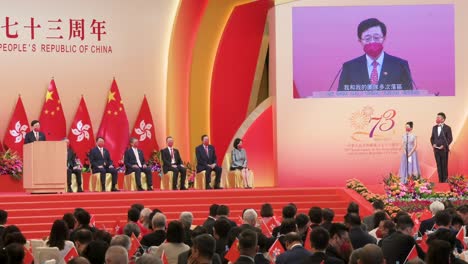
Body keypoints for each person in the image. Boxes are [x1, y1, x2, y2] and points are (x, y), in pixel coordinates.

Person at [338, 18, 413, 92]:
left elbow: (409, 97)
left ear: (384, 38)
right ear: (360, 41)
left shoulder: (400, 66)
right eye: (367, 38)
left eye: (376, 37)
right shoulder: (350, 67)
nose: (372, 42)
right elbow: (341, 97)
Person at [430, 112, 453, 183]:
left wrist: (444, 145)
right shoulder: (434, 127)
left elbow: (450, 138)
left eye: (438, 117)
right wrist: (433, 144)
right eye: (436, 117)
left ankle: (445, 182)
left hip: (443, 150)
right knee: (439, 166)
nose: (437, 118)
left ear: (443, 119)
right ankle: (440, 181)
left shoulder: (447, 128)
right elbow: (432, 138)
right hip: (436, 150)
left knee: (444, 165)